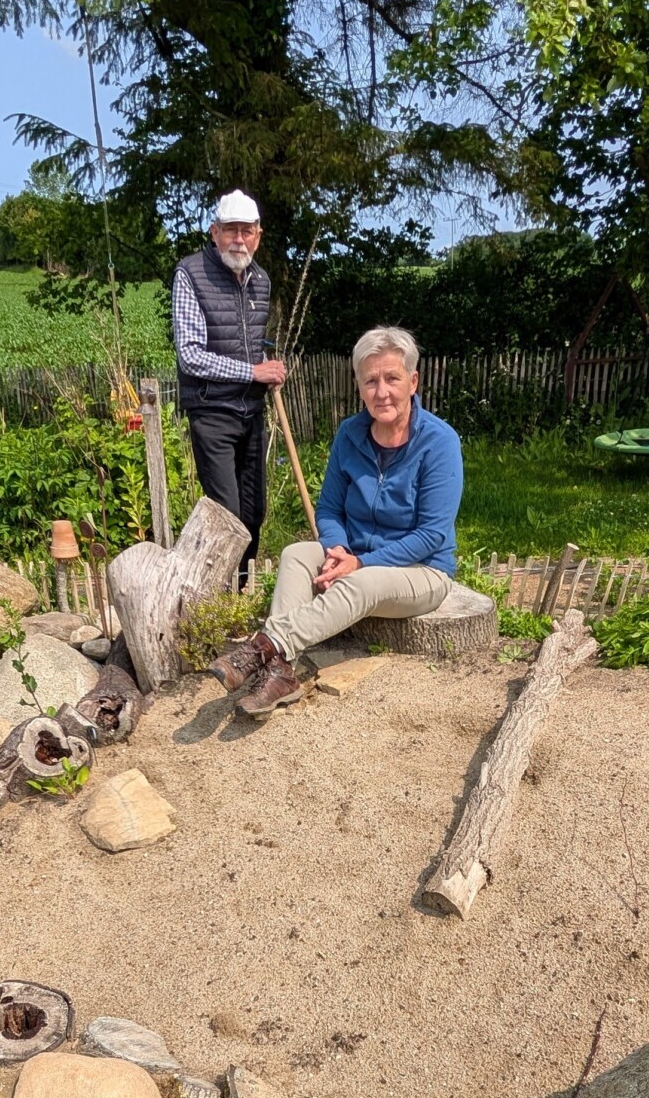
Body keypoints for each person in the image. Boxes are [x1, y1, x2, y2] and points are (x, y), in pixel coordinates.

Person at [209, 324, 462, 715]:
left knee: (362, 582)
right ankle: (281, 673)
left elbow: (431, 534)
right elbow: (328, 509)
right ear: (359, 386)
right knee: (296, 553)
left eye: (392, 378)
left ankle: (264, 645)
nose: (382, 392)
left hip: (422, 570)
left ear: (413, 381)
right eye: (370, 380)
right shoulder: (350, 434)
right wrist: (337, 547)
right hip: (356, 552)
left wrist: (359, 562)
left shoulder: (439, 442)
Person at [171, 190, 286, 583]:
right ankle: (213, 596)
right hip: (212, 411)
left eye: (247, 231)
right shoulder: (191, 274)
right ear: (215, 232)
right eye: (231, 230)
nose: (239, 239)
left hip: (252, 414)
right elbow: (191, 355)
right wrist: (253, 373)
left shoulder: (261, 281)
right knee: (227, 514)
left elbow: (255, 350)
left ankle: (238, 591)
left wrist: (268, 371)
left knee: (255, 512)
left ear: (259, 235)